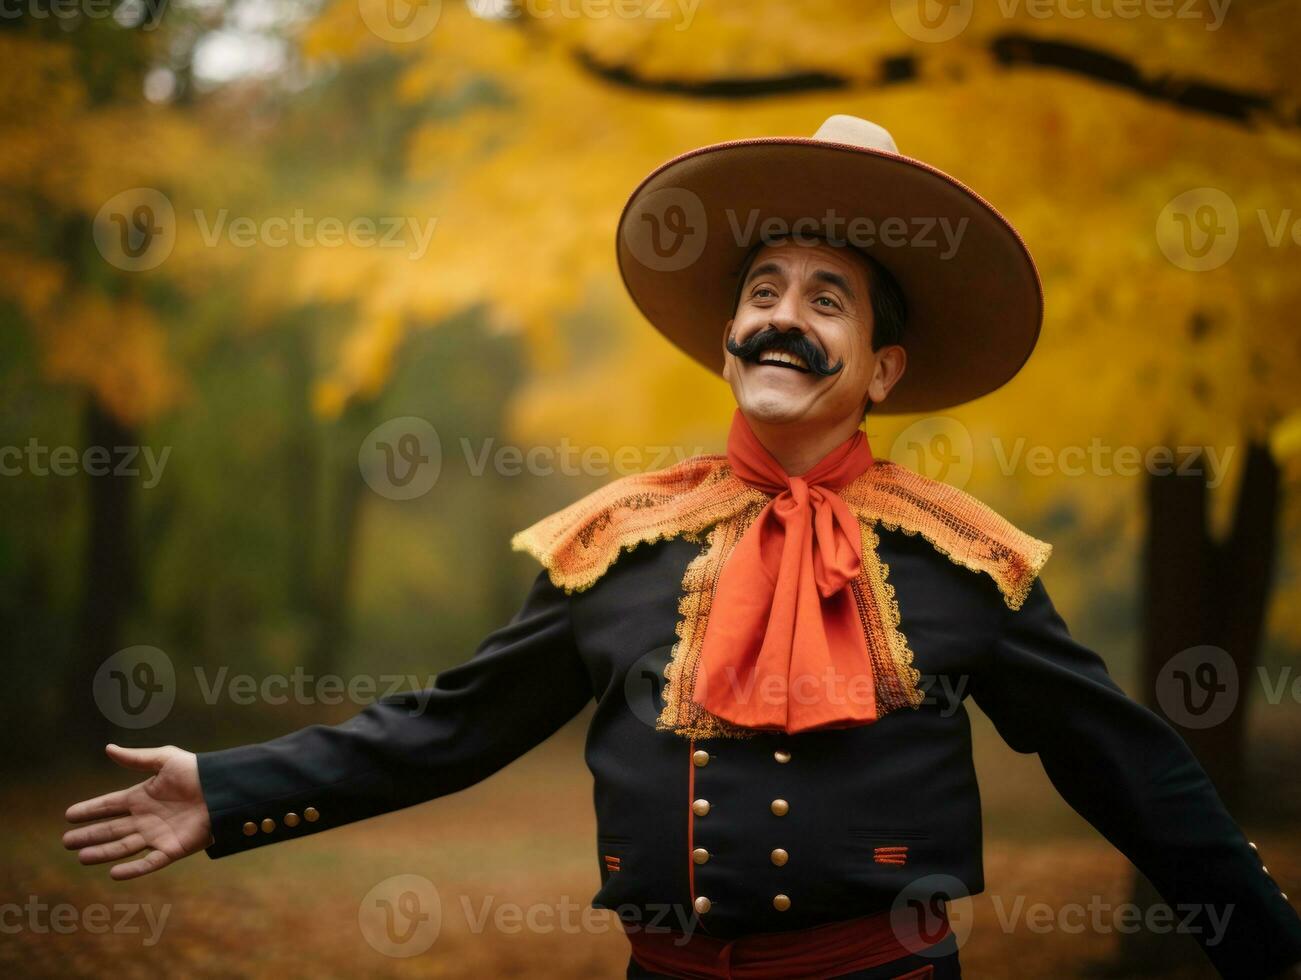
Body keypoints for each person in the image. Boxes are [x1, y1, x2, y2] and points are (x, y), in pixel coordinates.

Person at [64, 115, 1301, 979]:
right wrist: (228, 790)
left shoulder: (959, 559)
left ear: (881, 368)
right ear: (727, 341)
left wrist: (1264, 943)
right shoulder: (617, 542)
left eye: (827, 299)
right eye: (764, 290)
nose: (782, 316)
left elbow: (1129, 763)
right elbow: (449, 725)